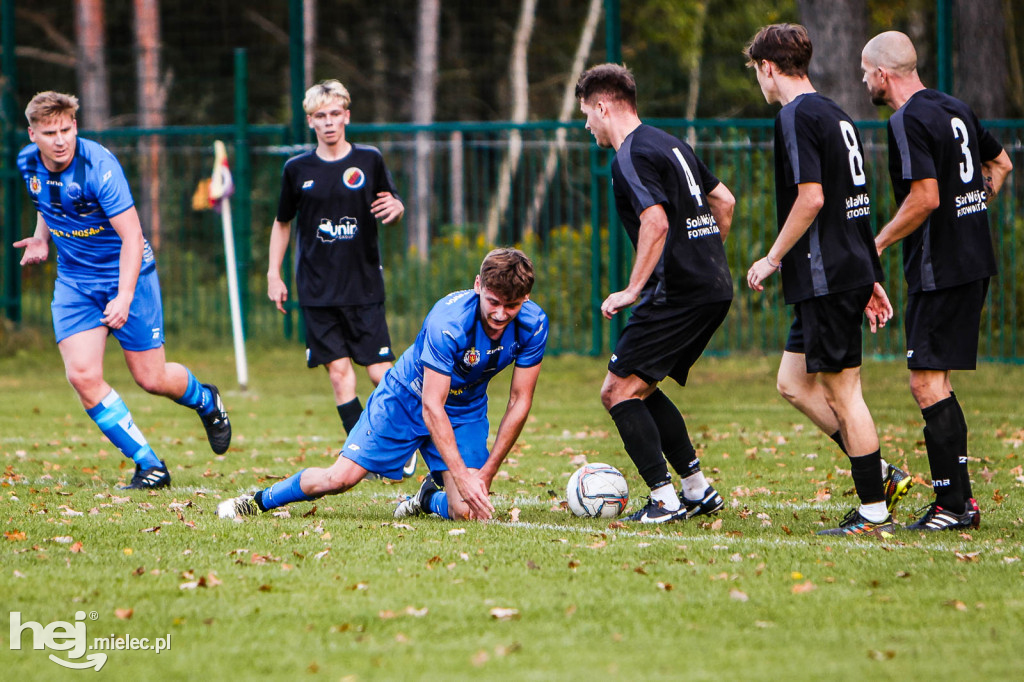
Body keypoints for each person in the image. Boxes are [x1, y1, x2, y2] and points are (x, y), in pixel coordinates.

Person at [218, 248, 547, 521]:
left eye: (512, 306)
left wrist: (485, 474)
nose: (501, 314)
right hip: (406, 400)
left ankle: (427, 498)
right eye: (493, 302)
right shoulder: (447, 323)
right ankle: (258, 501)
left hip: (464, 409)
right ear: (478, 285)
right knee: (339, 479)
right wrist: (462, 476)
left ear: (526, 298)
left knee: (469, 512)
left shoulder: (533, 325)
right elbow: (431, 406)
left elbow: (520, 401)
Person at [743, 24, 913, 537]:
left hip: (825, 274)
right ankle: (879, 473)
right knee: (793, 383)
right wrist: (869, 273)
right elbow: (854, 203)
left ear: (768, 68)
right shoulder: (836, 112)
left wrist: (772, 257)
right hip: (843, 271)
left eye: (756, 72)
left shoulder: (795, 116)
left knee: (844, 392)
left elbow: (814, 198)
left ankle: (873, 512)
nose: (759, 81)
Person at [14, 91, 231, 489]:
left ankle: (206, 400)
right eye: (49, 132)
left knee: (151, 378)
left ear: (75, 126)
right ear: (32, 134)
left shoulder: (100, 167)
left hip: (128, 275)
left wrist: (125, 296)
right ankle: (149, 464)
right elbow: (49, 203)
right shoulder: (27, 162)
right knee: (82, 375)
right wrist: (40, 238)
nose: (60, 140)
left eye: (66, 129)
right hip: (76, 281)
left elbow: (133, 237)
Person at [861, 31, 1013, 531]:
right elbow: (1001, 163)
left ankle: (953, 506)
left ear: (883, 74)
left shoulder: (905, 119)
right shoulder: (954, 107)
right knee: (936, 381)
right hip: (972, 261)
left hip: (941, 268)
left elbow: (925, 198)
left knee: (925, 382)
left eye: (866, 72)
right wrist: (973, 208)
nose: (865, 81)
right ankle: (959, 503)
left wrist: (877, 242)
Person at [576, 64, 734, 524]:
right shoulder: (670, 143)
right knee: (639, 387)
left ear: (603, 106)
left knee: (617, 392)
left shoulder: (628, 155)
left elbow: (656, 221)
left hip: (679, 292)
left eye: (587, 114)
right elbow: (725, 201)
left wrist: (632, 289)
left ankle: (664, 501)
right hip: (709, 287)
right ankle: (697, 491)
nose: (587, 125)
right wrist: (705, 255)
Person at [266, 79, 414, 478]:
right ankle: (369, 455)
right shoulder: (296, 169)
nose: (329, 122)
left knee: (381, 372)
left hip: (363, 287)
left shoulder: (369, 160)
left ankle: (401, 437)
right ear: (310, 121)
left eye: (335, 114)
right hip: (316, 290)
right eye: (320, 116)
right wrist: (272, 274)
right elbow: (282, 224)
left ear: (346, 115)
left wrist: (396, 209)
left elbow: (393, 202)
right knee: (338, 373)